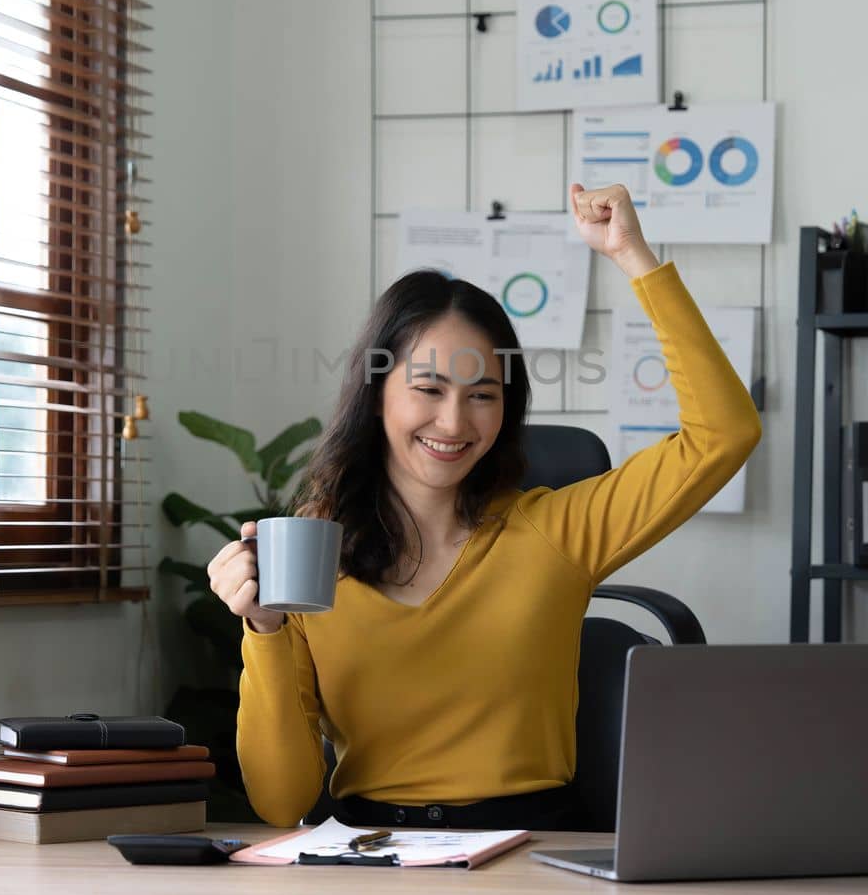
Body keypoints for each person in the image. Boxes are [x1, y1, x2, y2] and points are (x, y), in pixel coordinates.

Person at [206, 183, 760, 830]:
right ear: (376, 392)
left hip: (528, 849)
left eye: (483, 394)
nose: (453, 420)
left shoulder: (558, 529)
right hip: (372, 857)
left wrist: (634, 257)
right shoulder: (310, 549)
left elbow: (725, 433)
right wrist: (265, 630)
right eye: (429, 388)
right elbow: (281, 802)